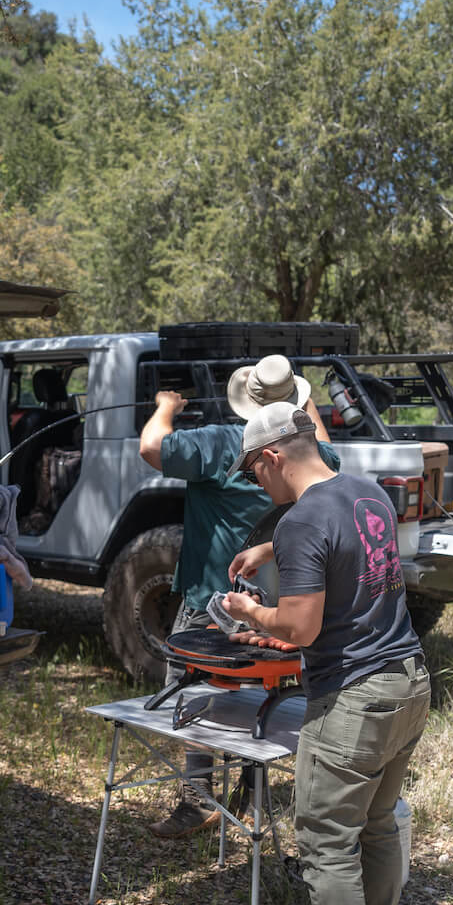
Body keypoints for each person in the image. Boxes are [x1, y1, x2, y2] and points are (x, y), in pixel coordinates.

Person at [219, 401, 430, 905]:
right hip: (408, 681)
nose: (260, 486)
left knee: (326, 841)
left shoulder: (302, 518)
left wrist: (249, 611)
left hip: (354, 699)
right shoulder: (366, 491)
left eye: (256, 474)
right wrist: (270, 543)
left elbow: (301, 627)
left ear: (273, 456)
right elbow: (342, 545)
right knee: (376, 824)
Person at [137, 354, 336, 837]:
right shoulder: (308, 453)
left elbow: (150, 447)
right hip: (286, 598)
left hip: (213, 596)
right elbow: (328, 451)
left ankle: (197, 797)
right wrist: (305, 404)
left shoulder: (219, 442)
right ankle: (257, 783)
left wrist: (166, 406)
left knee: (190, 690)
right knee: (268, 694)